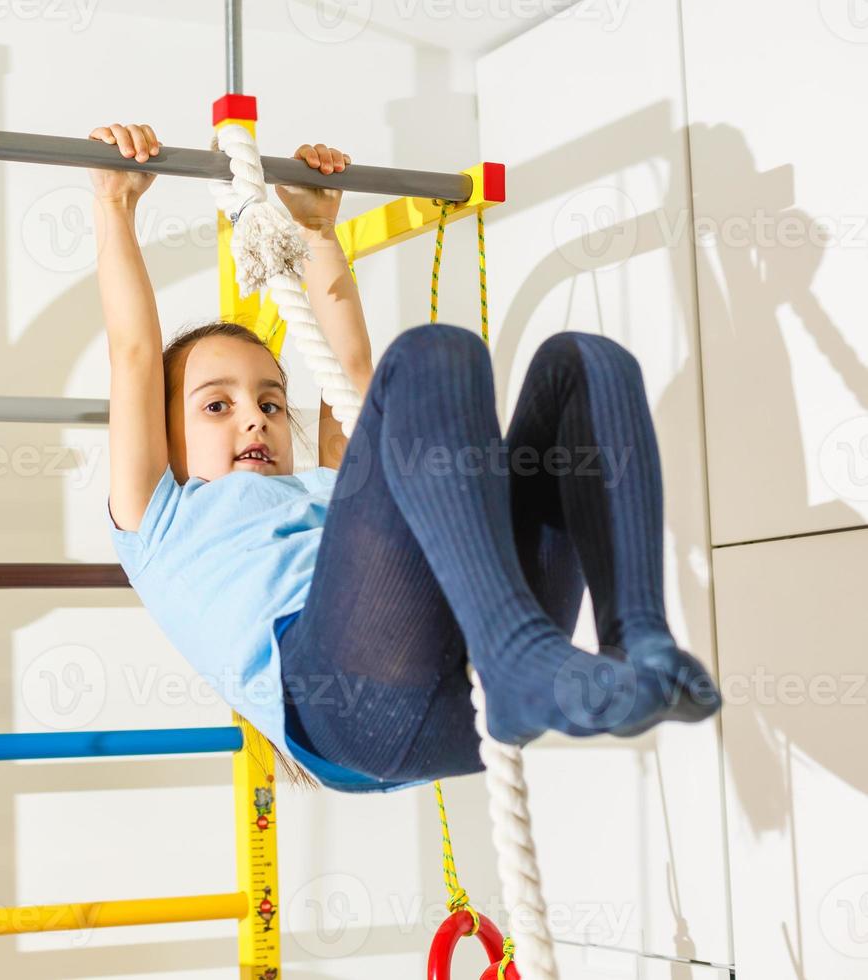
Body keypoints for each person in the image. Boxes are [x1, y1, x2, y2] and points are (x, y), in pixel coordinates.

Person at [90, 122, 719, 792]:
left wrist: (317, 231)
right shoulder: (158, 521)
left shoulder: (330, 492)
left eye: (272, 403)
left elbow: (351, 372)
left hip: (478, 684)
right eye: (218, 405)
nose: (255, 416)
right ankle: (515, 654)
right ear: (160, 436)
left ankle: (639, 645)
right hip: (352, 709)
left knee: (583, 367)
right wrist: (114, 207)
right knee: (433, 356)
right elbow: (133, 353)